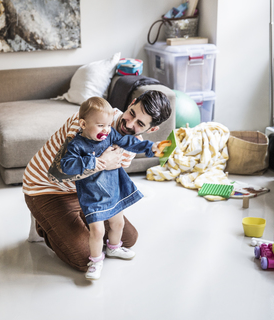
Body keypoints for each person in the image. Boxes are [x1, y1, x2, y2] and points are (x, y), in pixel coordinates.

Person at [22, 90, 171, 273]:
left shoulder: (132, 143)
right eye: (132, 113)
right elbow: (57, 174)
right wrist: (102, 163)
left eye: (140, 123)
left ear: (152, 129)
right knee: (84, 258)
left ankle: (76, 220)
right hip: (47, 187)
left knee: (128, 238)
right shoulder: (89, 119)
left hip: (87, 192)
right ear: (132, 103)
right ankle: (43, 222)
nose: (129, 123)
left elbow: (109, 179)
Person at [60, 97, 159, 280]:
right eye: (100, 126)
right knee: (98, 231)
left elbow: (130, 142)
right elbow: (66, 166)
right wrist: (96, 162)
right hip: (92, 196)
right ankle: (96, 261)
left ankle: (114, 248)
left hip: (112, 191)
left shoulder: (111, 134)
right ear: (83, 123)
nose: (105, 130)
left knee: (118, 224)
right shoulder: (77, 144)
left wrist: (151, 147)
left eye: (107, 125)